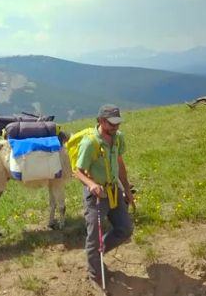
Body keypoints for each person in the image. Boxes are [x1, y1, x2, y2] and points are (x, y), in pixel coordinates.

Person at [73, 104, 134, 286]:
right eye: (111, 123)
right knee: (93, 237)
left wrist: (127, 189)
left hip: (114, 190)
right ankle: (95, 274)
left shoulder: (118, 138)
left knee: (125, 229)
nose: (115, 127)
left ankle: (98, 254)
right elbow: (78, 171)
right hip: (97, 196)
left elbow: (119, 163)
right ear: (100, 121)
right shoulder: (89, 143)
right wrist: (91, 184)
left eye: (117, 123)